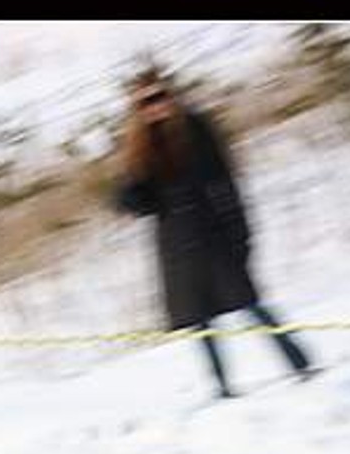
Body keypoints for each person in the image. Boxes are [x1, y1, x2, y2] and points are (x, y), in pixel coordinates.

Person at [114, 67, 316, 399]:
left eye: (160, 96)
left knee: (251, 305)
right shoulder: (139, 147)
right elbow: (141, 202)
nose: (155, 106)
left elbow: (226, 183)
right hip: (176, 246)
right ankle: (222, 388)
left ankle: (300, 362)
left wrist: (241, 234)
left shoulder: (197, 128)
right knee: (199, 321)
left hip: (215, 234)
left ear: (171, 95)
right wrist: (127, 197)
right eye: (145, 103)